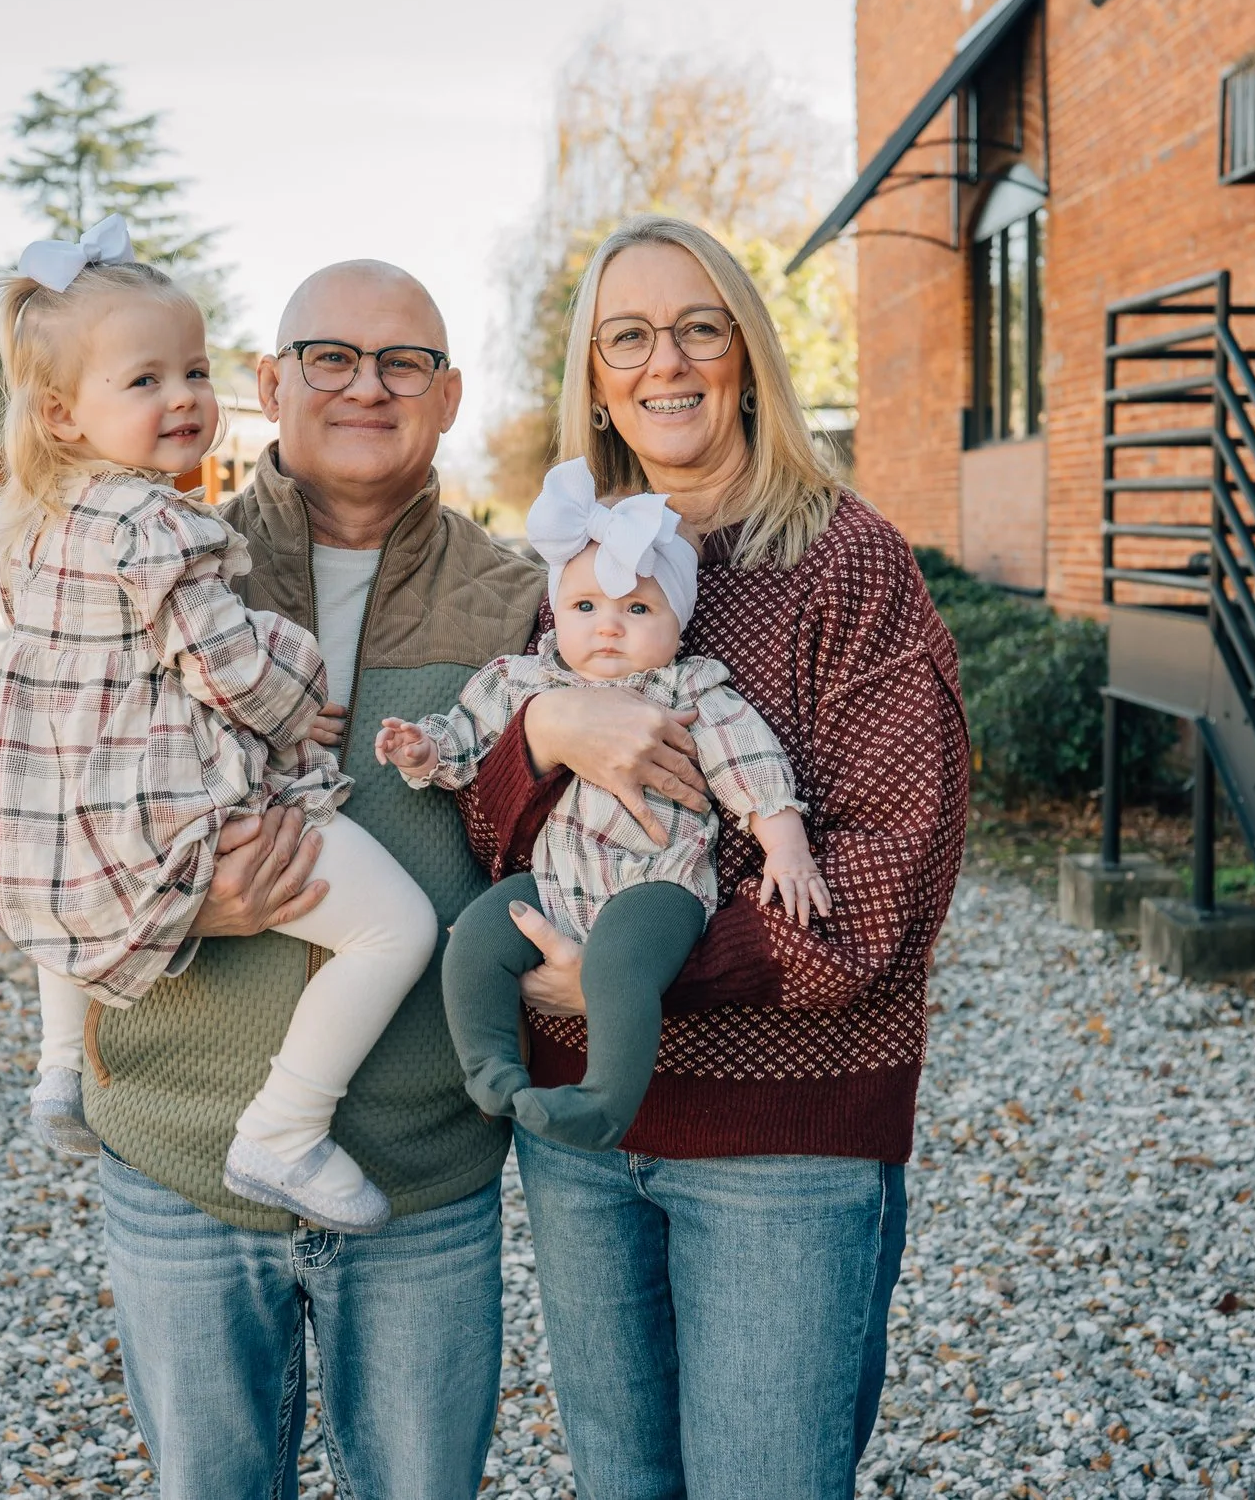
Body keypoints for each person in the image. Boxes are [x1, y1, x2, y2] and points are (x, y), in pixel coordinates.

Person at [454, 215, 970, 1499]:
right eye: (626, 335)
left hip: (780, 1144)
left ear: (746, 353)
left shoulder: (849, 563)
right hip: (582, 1129)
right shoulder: (572, 574)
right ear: (595, 375)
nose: (663, 360)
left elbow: (882, 881)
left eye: (698, 325)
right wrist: (543, 731)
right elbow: (490, 827)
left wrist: (633, 978)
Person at [75, 255, 546, 1498]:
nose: (365, 387)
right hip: (180, 1156)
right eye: (330, 358)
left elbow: (564, 854)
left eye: (404, 362)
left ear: (449, 399)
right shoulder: (156, 563)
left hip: (422, 1172)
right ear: (271, 386)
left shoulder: (523, 604)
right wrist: (185, 899)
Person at [0, 216, 443, 1234]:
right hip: (168, 814)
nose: (181, 397)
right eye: (143, 381)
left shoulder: (41, 533)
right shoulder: (162, 528)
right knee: (396, 926)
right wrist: (301, 685)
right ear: (60, 413)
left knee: (41, 853)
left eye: (189, 369)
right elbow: (240, 680)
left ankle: (56, 1067)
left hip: (59, 816)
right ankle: (283, 1127)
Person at [377, 457, 828, 1150]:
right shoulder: (524, 681)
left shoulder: (691, 692)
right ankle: (492, 1069)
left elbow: (752, 763)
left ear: (679, 620)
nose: (608, 627)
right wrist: (423, 748)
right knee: (475, 936)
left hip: (657, 883)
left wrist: (786, 843)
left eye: (637, 608)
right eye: (586, 607)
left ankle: (605, 1102)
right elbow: (466, 743)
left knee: (619, 966)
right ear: (557, 609)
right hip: (559, 880)